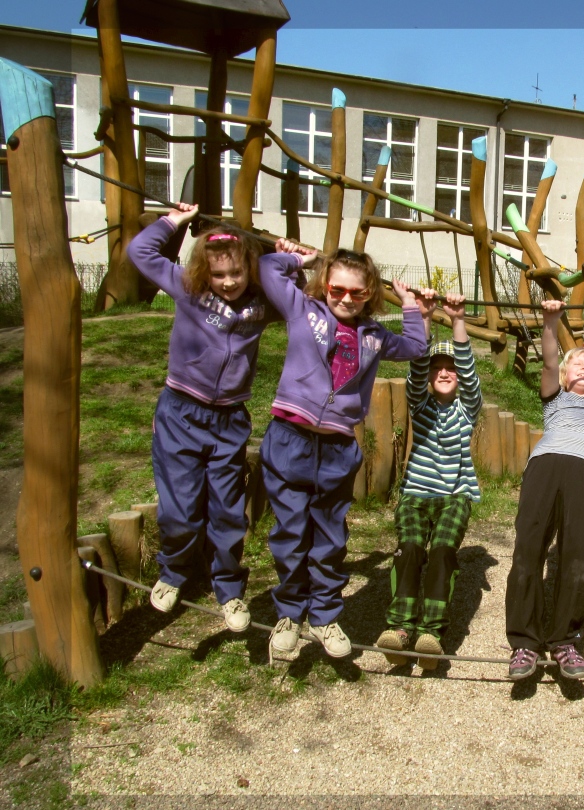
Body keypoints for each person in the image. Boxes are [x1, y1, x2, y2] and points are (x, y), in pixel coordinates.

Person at [128, 202, 298, 633]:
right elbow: (140, 253)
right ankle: (173, 572)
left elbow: (293, 296)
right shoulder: (187, 288)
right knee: (181, 509)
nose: (227, 283)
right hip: (181, 413)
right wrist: (174, 222)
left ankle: (230, 589)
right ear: (205, 272)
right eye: (218, 275)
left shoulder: (261, 306)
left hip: (229, 420)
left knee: (226, 510)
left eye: (236, 274)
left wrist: (291, 259)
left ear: (250, 271)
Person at [258, 244, 428, 659]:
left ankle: (325, 617)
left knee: (330, 536)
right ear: (324, 285)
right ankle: (289, 614)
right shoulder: (304, 309)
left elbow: (415, 348)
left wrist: (410, 305)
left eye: (357, 292)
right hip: (290, 439)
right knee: (291, 533)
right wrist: (300, 259)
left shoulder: (373, 335)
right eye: (337, 288)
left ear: (370, 293)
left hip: (336, 446)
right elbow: (266, 269)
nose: (346, 298)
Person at [505, 297, 584, 680]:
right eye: (578, 366)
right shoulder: (554, 399)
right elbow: (551, 360)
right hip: (545, 465)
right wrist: (550, 321)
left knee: (575, 556)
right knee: (528, 548)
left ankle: (565, 640)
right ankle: (524, 642)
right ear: (567, 376)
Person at [376, 291, 481, 670]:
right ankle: (400, 628)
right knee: (411, 549)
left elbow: (468, 373)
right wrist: (423, 317)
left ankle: (431, 634)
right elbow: (416, 368)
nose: (444, 371)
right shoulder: (419, 406)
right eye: (438, 367)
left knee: (441, 553)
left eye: (449, 367)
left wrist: (456, 321)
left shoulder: (468, 409)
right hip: (417, 493)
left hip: (454, 493)